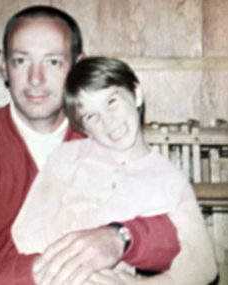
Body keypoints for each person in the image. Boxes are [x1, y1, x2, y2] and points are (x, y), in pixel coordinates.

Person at [0, 5, 186, 285]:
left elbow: (177, 237)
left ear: (77, 66)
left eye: (53, 62)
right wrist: (52, 270)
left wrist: (119, 238)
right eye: (21, 60)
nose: (36, 79)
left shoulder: (109, 135)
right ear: (3, 65)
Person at [12, 57, 217, 285]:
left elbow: (203, 265)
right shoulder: (67, 157)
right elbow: (25, 232)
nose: (108, 121)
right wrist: (75, 271)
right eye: (91, 116)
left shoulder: (169, 180)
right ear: (84, 128)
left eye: (111, 102)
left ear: (136, 94)